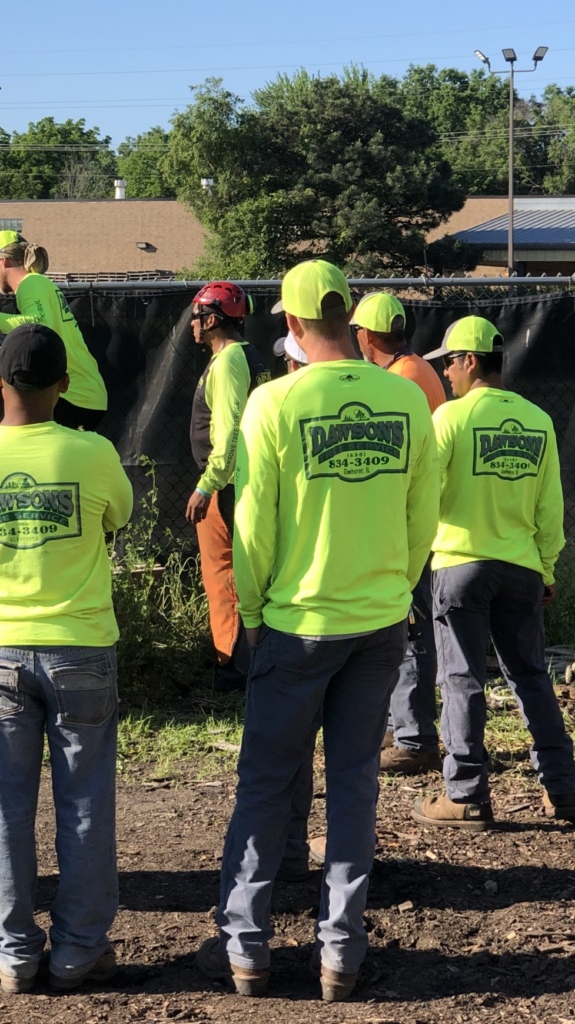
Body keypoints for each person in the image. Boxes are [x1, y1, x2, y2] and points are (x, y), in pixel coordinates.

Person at [197, 260, 438, 1002]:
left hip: (297, 627)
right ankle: (341, 955)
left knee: (267, 786)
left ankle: (247, 951)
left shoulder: (272, 404)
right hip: (376, 625)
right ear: (348, 321)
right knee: (356, 785)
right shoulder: (405, 398)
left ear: (294, 326)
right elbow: (422, 514)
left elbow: (253, 526)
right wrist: (396, 586)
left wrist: (260, 611)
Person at [0, 323, 133, 994]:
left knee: (5, 804)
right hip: (80, 646)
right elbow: (119, 518)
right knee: (84, 805)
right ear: (65, 384)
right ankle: (80, 951)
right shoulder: (93, 453)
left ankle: (13, 955)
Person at [411, 316, 575, 829]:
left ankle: (466, 795)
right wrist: (546, 567)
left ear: (470, 360)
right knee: (530, 677)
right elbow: (551, 508)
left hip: (459, 565)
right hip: (522, 569)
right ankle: (565, 789)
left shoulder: (451, 420)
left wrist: (411, 557)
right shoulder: (537, 420)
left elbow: (424, 497)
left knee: (462, 677)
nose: (446, 375)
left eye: (448, 364)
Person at [351, 292, 445, 774]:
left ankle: (413, 736)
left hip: (411, 521)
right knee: (407, 624)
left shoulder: (403, 378)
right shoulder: (416, 370)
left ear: (367, 335)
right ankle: (402, 726)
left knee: (410, 627)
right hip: (415, 515)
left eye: (358, 333)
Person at [184, 283, 270, 690]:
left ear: (213, 320)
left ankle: (234, 669)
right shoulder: (250, 355)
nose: (192, 325)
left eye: (197, 317)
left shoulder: (230, 361)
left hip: (229, 486)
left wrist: (207, 485)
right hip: (249, 483)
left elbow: (230, 431)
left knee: (224, 577)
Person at [0, 230, 108, 431]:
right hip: (80, 395)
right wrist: (3, 351)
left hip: (75, 397)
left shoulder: (31, 283)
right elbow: (46, 336)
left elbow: (39, 326)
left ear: (3, 261)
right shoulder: (39, 284)